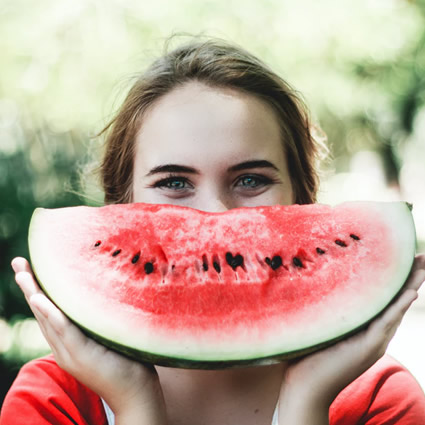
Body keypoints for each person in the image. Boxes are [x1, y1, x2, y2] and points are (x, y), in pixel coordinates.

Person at [2, 37, 425, 425]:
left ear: (303, 199)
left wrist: (306, 403)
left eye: (250, 180)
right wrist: (135, 403)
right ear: (121, 205)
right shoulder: (54, 400)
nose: (214, 215)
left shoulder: (378, 400)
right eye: (173, 182)